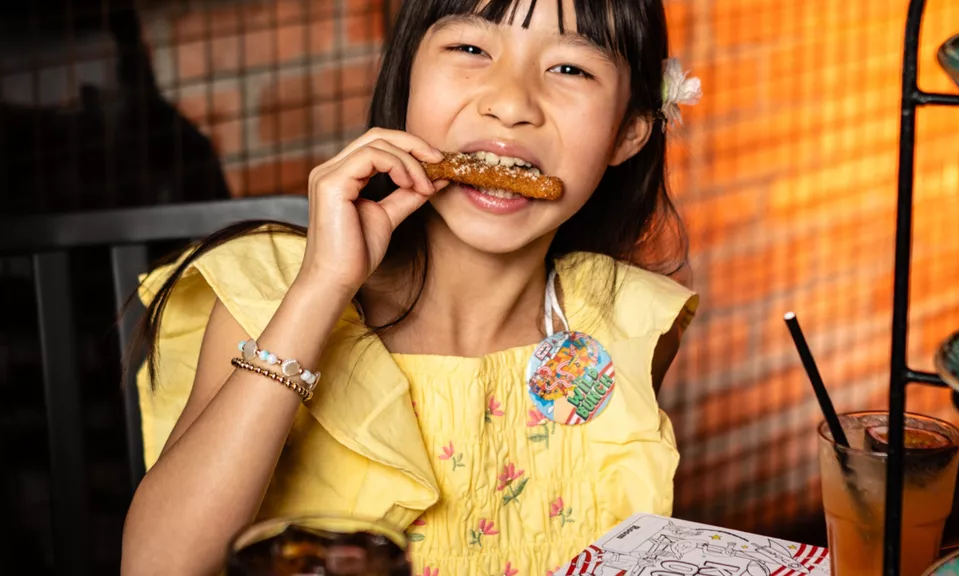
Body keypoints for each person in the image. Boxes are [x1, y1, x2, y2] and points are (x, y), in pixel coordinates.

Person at [121, 0, 702, 574]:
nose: (510, 103)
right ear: (407, 82)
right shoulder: (275, 291)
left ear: (627, 133)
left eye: (570, 69)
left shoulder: (625, 323)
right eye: (470, 49)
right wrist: (323, 287)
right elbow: (158, 566)